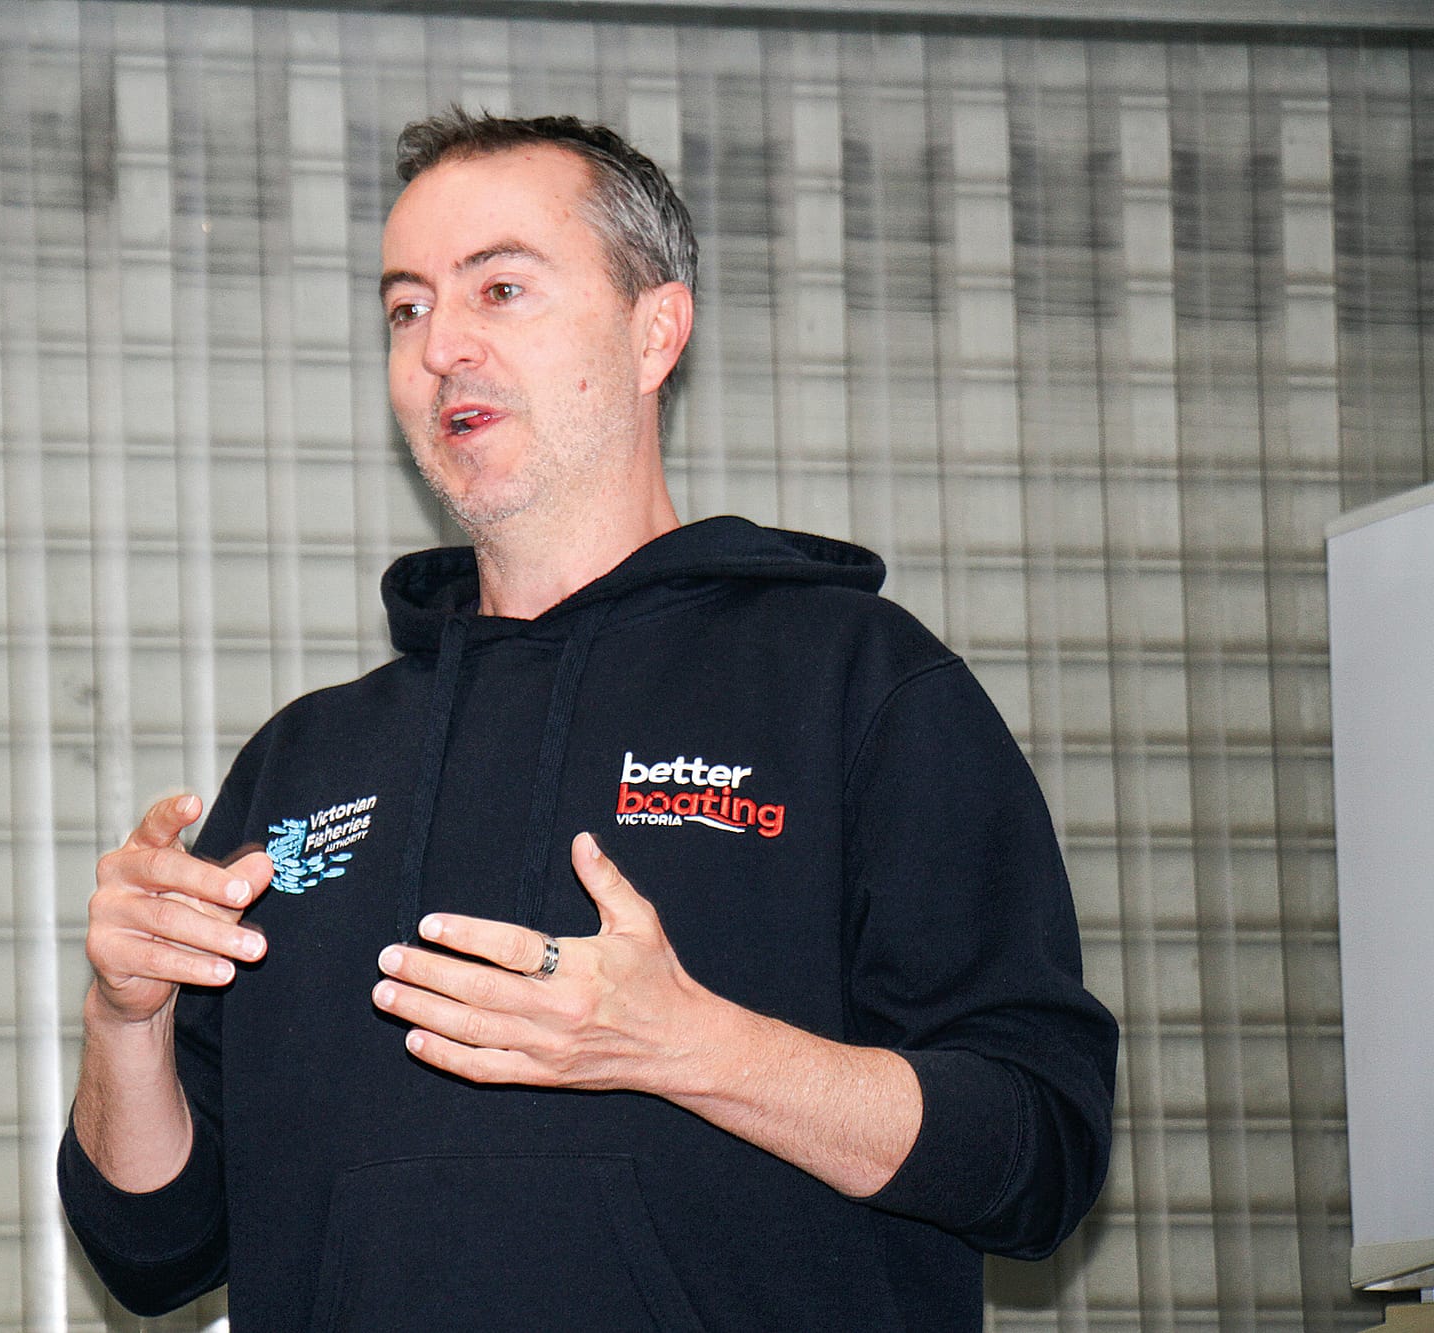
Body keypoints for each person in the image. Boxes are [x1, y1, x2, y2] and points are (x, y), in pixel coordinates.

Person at [59, 109, 1118, 1331]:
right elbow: (150, 1244)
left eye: (498, 288)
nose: (440, 345)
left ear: (653, 329)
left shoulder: (858, 684)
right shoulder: (303, 761)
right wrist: (122, 1018)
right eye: (405, 309)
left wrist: (688, 1046)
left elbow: (1037, 1154)